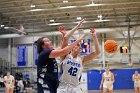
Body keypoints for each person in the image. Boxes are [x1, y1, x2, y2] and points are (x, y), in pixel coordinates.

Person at [57, 19, 100, 93]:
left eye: (79, 46)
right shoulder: (64, 56)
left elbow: (97, 52)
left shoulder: (81, 59)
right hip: (63, 87)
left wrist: (94, 36)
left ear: (81, 50)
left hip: (76, 88)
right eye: (76, 45)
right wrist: (64, 34)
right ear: (71, 48)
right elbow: (65, 39)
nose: (79, 46)